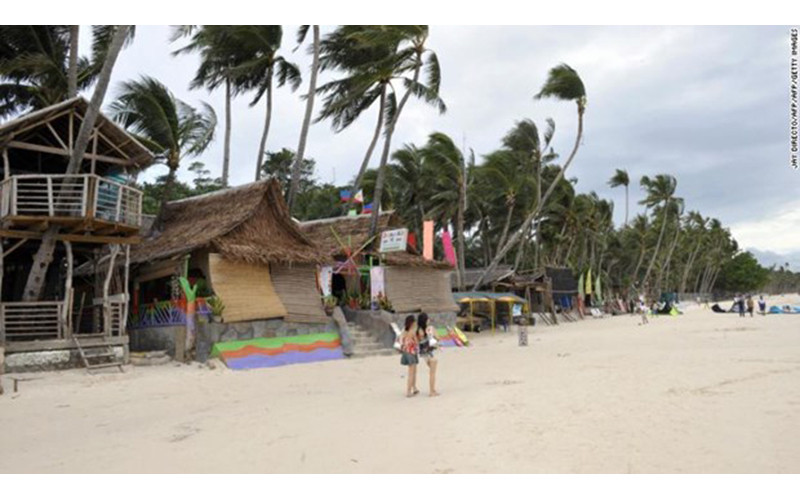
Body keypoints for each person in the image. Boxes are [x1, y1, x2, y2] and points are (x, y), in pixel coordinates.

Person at [416, 313, 440, 397]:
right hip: (430, 352)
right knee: (432, 373)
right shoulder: (430, 329)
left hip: (423, 354)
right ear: (425, 320)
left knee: (432, 372)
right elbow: (438, 338)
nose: (429, 320)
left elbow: (418, 341)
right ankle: (431, 391)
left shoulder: (418, 330)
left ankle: (433, 389)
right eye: (427, 319)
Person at [400, 315, 419, 398]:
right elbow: (416, 342)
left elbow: (402, 341)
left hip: (407, 352)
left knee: (413, 371)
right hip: (411, 352)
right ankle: (409, 391)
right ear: (412, 323)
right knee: (412, 372)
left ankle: (414, 388)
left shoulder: (404, 331)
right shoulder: (412, 332)